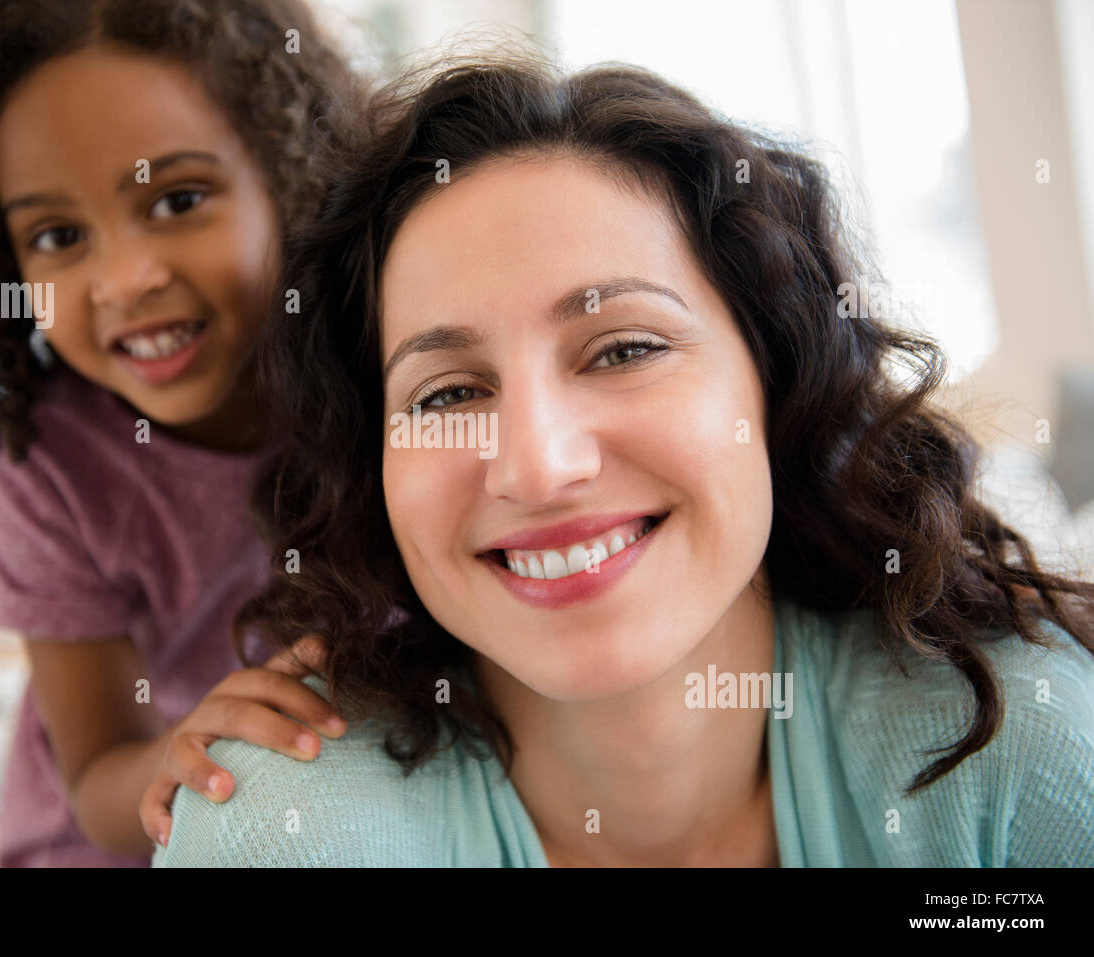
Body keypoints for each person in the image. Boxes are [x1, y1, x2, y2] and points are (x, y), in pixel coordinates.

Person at [155, 49, 1094, 867]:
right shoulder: (280, 833)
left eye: (624, 349)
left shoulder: (1019, 743)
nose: (537, 465)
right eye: (448, 393)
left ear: (777, 381)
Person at [0, 0, 364, 866]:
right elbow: (94, 776)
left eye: (178, 199)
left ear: (291, 176)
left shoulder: (382, 373)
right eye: (58, 235)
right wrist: (186, 756)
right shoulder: (41, 461)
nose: (125, 280)